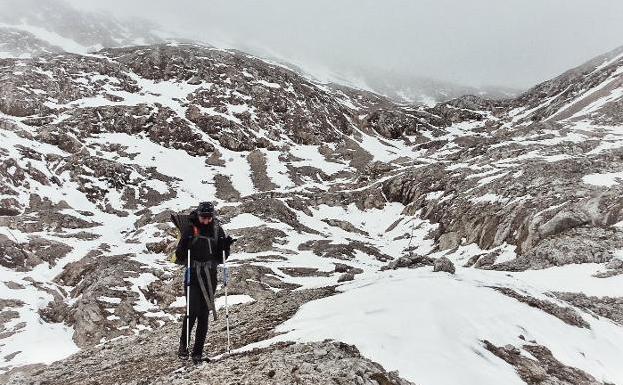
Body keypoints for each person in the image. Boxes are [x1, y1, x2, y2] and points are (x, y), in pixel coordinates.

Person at [175, 201, 234, 363]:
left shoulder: (217, 230)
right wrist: (185, 244)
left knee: (203, 314)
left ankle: (197, 353)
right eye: (203, 217)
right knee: (192, 310)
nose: (206, 220)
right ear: (198, 215)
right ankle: (183, 346)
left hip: (210, 275)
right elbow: (179, 255)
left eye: (209, 217)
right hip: (192, 274)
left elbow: (222, 256)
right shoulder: (190, 229)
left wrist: (225, 247)